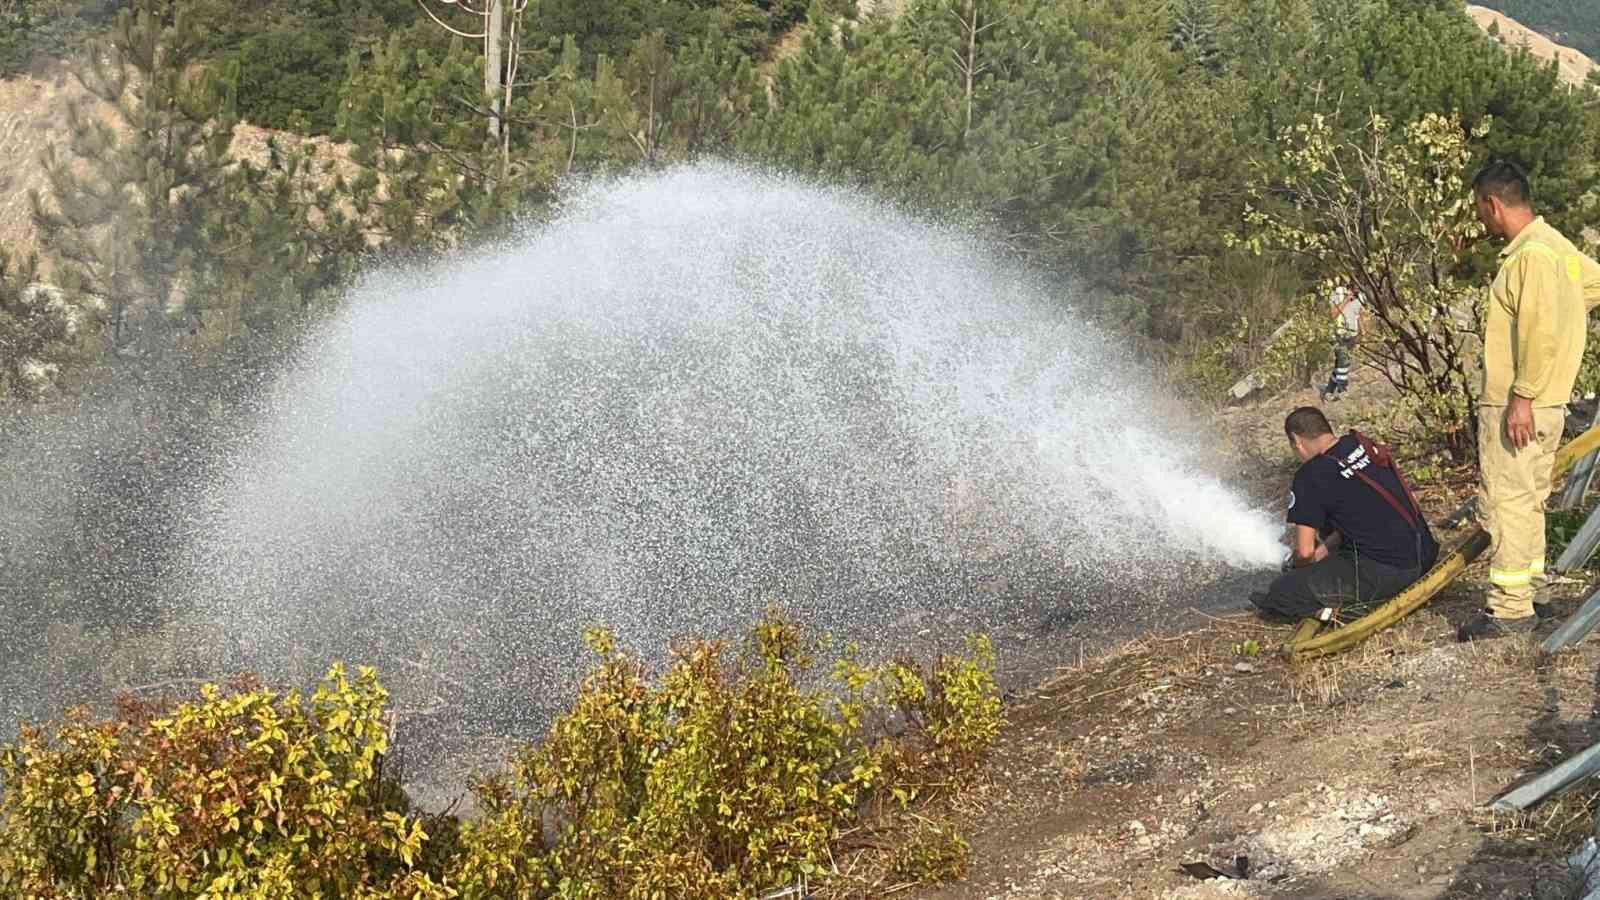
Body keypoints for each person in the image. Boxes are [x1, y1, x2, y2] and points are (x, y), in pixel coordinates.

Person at [1459, 162, 1600, 641]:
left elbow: (1538, 331)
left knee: (1508, 505)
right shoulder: (1555, 248)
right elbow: (1594, 284)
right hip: (1549, 402)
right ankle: (1532, 593)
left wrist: (1522, 396)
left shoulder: (1530, 257)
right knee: (1531, 502)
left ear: (1492, 204)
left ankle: (1510, 609)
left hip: (1518, 406)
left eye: (1480, 209)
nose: (1481, 220)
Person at [1251, 407, 1439, 622]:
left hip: (1393, 574)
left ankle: (1338, 614)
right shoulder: (1360, 443)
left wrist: (1297, 567)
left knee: (1283, 592)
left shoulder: (1310, 475)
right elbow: (1359, 522)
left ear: (1296, 441)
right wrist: (1321, 553)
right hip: (1424, 554)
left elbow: (1304, 552)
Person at [1320, 282, 1362, 402]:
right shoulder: (1336, 294)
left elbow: (1360, 315)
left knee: (1342, 364)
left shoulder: (1360, 297)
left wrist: (1363, 332)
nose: (1357, 289)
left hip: (1352, 335)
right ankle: (1342, 389)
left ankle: (1328, 390)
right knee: (1343, 361)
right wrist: (1346, 300)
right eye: (1355, 287)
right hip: (1338, 335)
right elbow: (1333, 314)